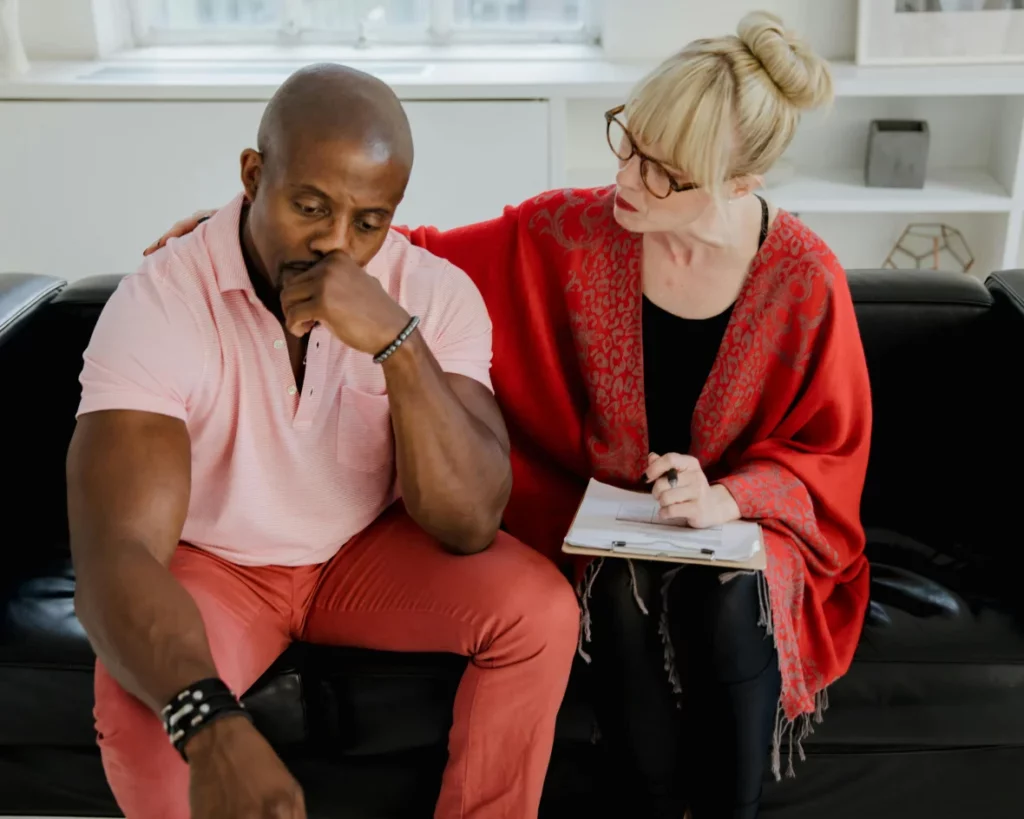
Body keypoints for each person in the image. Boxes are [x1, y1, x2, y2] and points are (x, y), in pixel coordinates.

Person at [146, 11, 873, 818]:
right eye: (628, 143)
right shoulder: (573, 229)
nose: (629, 179)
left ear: (740, 183)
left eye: (666, 173)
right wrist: (254, 229)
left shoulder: (805, 280)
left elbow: (827, 451)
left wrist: (726, 499)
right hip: (608, 526)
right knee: (619, 587)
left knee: (729, 596)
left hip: (743, 525)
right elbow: (416, 255)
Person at [68, 63, 581, 819]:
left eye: (369, 222)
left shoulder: (432, 294)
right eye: (310, 207)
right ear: (254, 176)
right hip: (219, 566)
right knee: (144, 703)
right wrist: (211, 726)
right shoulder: (160, 303)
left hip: (361, 553)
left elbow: (470, 521)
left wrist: (397, 344)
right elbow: (117, 554)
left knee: (539, 612)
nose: (335, 245)